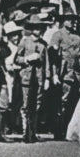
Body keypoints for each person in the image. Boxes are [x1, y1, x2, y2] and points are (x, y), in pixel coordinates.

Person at [15, 13, 49, 143]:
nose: (38, 31)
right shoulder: (24, 42)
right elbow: (17, 59)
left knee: (37, 105)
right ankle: (26, 132)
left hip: (39, 78)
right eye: (35, 28)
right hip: (27, 77)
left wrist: (47, 79)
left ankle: (33, 131)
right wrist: (27, 59)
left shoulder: (43, 45)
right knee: (26, 105)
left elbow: (47, 63)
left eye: (40, 28)